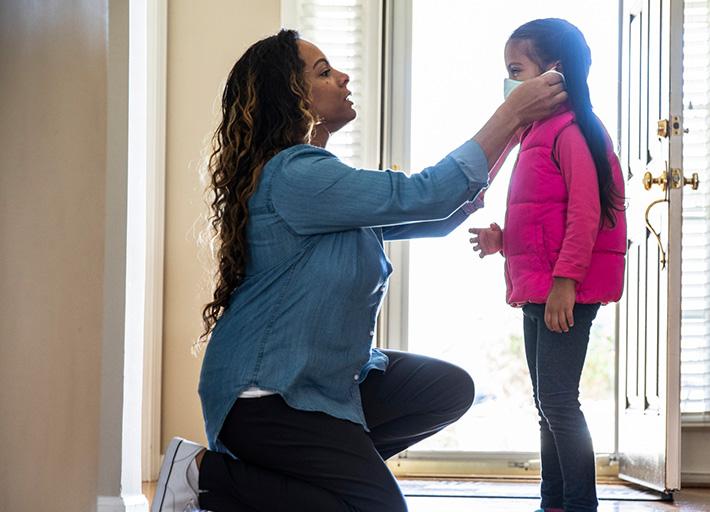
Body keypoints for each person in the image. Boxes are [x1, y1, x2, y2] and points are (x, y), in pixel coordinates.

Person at [150, 29, 566, 512]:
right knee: (380, 510)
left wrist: (512, 135)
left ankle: (329, 483)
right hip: (265, 397)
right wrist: (511, 113)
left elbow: (431, 213)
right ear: (291, 96)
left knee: (448, 389)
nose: (343, 77)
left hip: (322, 382)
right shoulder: (296, 174)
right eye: (323, 71)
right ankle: (204, 476)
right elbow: (424, 194)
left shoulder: (316, 177)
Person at [467, 18, 627, 512]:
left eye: (516, 69)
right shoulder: (537, 132)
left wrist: (565, 282)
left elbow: (586, 212)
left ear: (553, 69)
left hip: (562, 291)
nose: (510, 80)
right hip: (539, 287)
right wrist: (502, 239)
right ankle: (553, 502)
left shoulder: (573, 130)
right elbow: (544, 216)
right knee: (547, 406)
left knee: (558, 402)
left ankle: (578, 505)